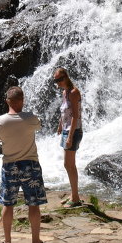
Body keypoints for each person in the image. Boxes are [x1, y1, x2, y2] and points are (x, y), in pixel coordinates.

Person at [0, 86, 47, 243]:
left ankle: (7, 242)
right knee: (34, 205)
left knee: (8, 204)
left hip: (10, 166)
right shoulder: (30, 118)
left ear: (7, 101)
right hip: (30, 165)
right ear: (23, 100)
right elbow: (39, 126)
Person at [53, 67, 83, 207]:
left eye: (59, 79)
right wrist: (60, 125)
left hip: (74, 131)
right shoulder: (65, 92)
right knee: (68, 164)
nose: (58, 82)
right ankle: (73, 194)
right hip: (66, 130)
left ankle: (76, 198)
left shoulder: (74, 92)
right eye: (56, 80)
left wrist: (70, 136)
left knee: (69, 164)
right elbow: (65, 112)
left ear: (66, 77)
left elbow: (75, 116)